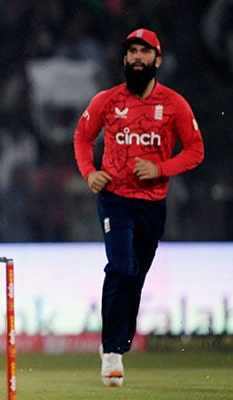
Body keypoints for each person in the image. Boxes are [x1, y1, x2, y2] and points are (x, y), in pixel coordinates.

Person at [73, 28, 204, 387]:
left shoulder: (174, 104)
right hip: (115, 198)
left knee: (135, 274)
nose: (136, 58)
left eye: (144, 52)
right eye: (131, 51)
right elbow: (83, 137)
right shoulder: (107, 100)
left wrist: (160, 169)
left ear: (157, 60)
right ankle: (111, 350)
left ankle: (119, 341)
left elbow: (195, 150)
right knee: (119, 266)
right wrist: (89, 173)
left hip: (152, 204)